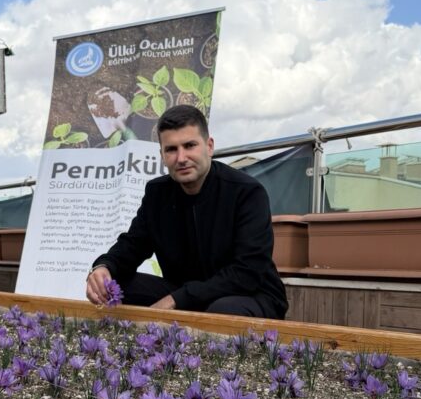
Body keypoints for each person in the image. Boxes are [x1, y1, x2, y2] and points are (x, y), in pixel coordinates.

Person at [84, 105, 288, 319]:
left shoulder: (246, 192)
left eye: (189, 145)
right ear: (161, 155)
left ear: (209, 146)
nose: (181, 158)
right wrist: (104, 266)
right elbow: (133, 244)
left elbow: (246, 272)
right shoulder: (157, 194)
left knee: (222, 311)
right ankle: (125, 347)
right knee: (114, 286)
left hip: (251, 295)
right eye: (171, 149)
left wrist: (176, 300)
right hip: (184, 292)